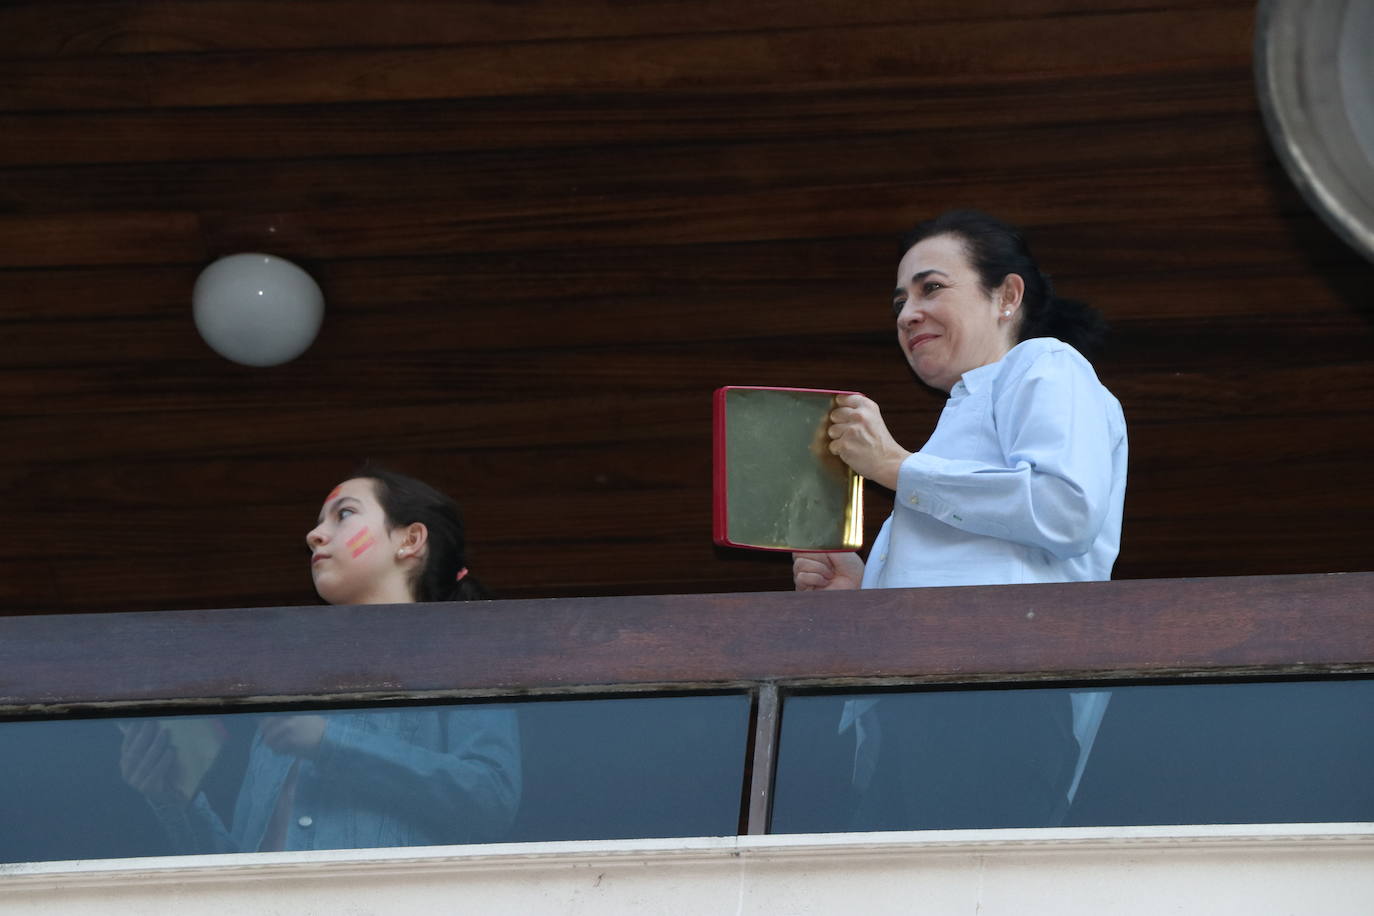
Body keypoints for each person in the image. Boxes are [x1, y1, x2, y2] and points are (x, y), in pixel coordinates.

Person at [791, 209, 1127, 830]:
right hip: (918, 712)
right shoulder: (958, 425)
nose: (907, 313)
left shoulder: (1045, 364)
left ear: (1007, 295)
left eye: (931, 287)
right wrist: (861, 591)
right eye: (900, 300)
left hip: (994, 698)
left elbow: (1065, 506)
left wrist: (897, 467)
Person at [120, 467, 520, 853]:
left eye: (344, 514)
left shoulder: (465, 655)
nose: (314, 535)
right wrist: (174, 799)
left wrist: (328, 742)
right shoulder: (291, 696)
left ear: (410, 539)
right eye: (320, 521)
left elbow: (491, 797)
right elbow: (240, 878)